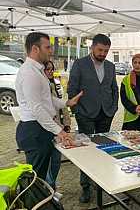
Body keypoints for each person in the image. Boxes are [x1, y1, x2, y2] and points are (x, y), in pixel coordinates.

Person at [15, 32, 82, 180]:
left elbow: (46, 99)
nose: (51, 51)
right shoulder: (29, 73)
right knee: (36, 180)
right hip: (35, 130)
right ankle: (37, 203)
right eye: (47, 47)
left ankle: (45, 200)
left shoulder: (37, 70)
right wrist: (60, 131)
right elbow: (37, 108)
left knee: (42, 176)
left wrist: (66, 103)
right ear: (35, 49)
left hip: (39, 129)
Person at [67, 34, 119, 203]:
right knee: (87, 151)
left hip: (106, 114)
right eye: (100, 50)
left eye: (106, 51)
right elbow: (72, 88)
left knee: (104, 150)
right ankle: (86, 187)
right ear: (92, 47)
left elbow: (114, 88)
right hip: (85, 115)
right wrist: (77, 111)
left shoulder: (110, 66)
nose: (103, 54)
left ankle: (101, 182)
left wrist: (113, 108)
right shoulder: (79, 64)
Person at [43, 60, 72, 190]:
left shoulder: (55, 84)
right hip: (47, 128)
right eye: (47, 69)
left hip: (58, 127)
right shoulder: (41, 86)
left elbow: (62, 105)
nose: (49, 71)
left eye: (51, 69)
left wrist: (66, 123)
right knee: (47, 162)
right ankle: (48, 190)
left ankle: (52, 187)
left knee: (56, 160)